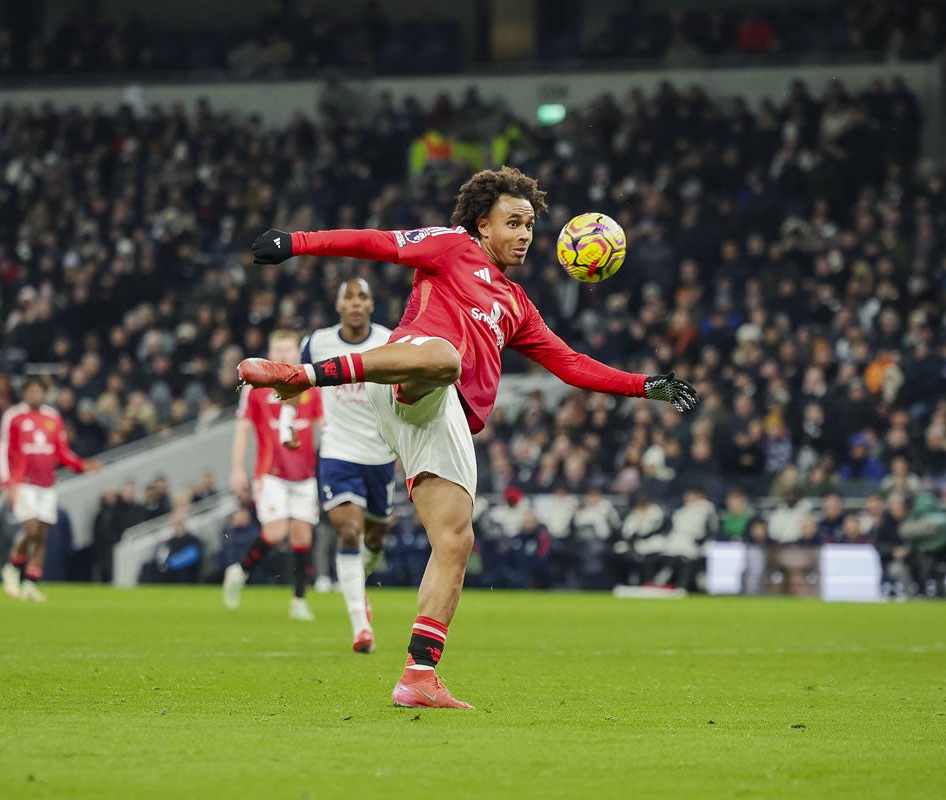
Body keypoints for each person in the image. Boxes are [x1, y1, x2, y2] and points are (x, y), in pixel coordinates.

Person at [240, 166, 698, 709]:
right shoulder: (452, 246)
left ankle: (418, 675)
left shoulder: (518, 306)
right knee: (444, 356)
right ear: (483, 225)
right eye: (514, 222)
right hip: (412, 377)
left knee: (455, 541)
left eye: (530, 225)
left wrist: (649, 386)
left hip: (443, 418)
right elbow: (375, 242)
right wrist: (294, 241)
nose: (525, 234)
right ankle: (304, 376)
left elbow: (571, 365)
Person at [301, 278, 396, 653]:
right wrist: (294, 426)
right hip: (338, 451)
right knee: (348, 530)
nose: (356, 304)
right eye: (349, 298)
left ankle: (358, 587)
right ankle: (361, 627)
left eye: (363, 298)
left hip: (381, 454)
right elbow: (298, 385)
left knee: (375, 537)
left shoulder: (389, 341)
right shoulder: (317, 343)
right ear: (338, 306)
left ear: (371, 305)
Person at [224, 330, 324, 621]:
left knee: (302, 536)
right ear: (268, 353)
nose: (283, 355)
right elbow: (243, 427)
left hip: (305, 475)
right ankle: (240, 572)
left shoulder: (312, 385)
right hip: (271, 474)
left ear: (297, 353)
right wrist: (236, 468)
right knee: (277, 531)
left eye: (288, 350)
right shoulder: (255, 386)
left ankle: (298, 601)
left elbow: (325, 424)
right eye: (277, 349)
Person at [0, 376, 101, 601]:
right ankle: (12, 565)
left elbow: (62, 452)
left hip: (47, 485)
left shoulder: (52, 418)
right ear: (24, 393)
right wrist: (7, 483)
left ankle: (31, 584)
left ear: (45, 394)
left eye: (39, 391)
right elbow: (4, 450)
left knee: (42, 535)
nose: (35, 395)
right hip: (24, 483)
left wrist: (81, 465)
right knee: (31, 529)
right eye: (31, 391)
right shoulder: (14, 417)